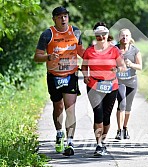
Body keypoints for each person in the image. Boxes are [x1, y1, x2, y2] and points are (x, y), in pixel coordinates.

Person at [34, 6, 85, 156]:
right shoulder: (47, 34)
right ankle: (59, 133)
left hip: (70, 75)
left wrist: (94, 56)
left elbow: (81, 51)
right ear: (54, 19)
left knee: (70, 108)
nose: (63, 19)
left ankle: (70, 142)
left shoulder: (75, 32)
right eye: (60, 16)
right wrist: (48, 57)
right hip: (54, 76)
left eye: (65, 16)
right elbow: (37, 56)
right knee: (58, 107)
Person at [81, 22, 126, 156]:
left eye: (103, 35)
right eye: (98, 36)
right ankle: (99, 144)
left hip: (111, 86)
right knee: (98, 115)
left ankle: (103, 140)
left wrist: (117, 69)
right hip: (94, 86)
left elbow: (123, 67)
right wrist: (85, 76)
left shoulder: (114, 50)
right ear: (96, 36)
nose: (101, 37)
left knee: (106, 118)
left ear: (107, 35)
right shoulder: (90, 51)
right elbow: (84, 66)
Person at [115, 29, 142, 140]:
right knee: (122, 103)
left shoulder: (135, 50)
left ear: (130, 37)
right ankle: (119, 130)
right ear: (119, 37)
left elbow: (140, 67)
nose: (124, 37)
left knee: (128, 106)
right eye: (122, 35)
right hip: (119, 81)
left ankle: (125, 128)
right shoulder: (115, 49)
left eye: (127, 35)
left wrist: (131, 64)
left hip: (131, 80)